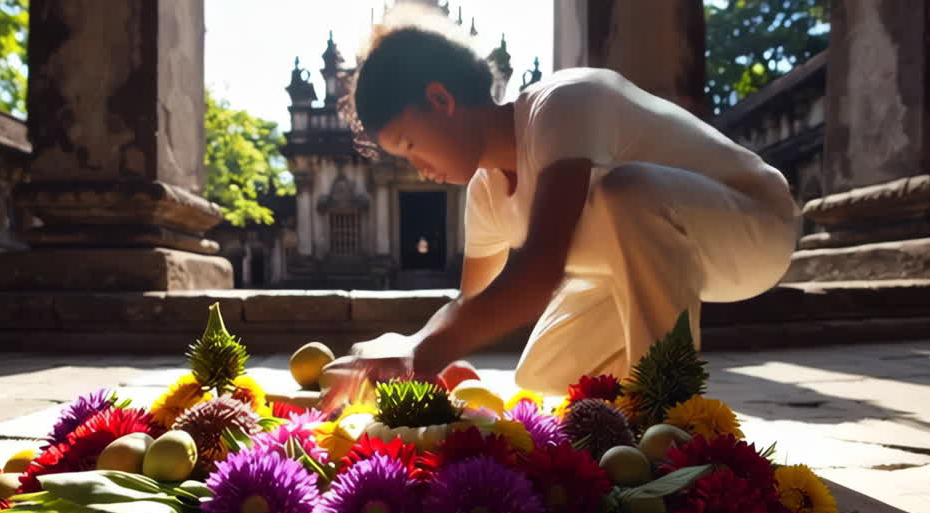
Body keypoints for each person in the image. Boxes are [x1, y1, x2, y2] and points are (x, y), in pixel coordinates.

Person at [321, 12, 798, 407]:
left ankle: (668, 411)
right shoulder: (486, 193)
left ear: (441, 99)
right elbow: (471, 302)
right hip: (642, 259)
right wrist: (412, 347)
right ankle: (626, 408)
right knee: (544, 374)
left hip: (755, 226)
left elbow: (539, 272)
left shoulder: (561, 103)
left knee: (626, 192)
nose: (418, 168)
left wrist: (420, 354)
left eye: (409, 145)